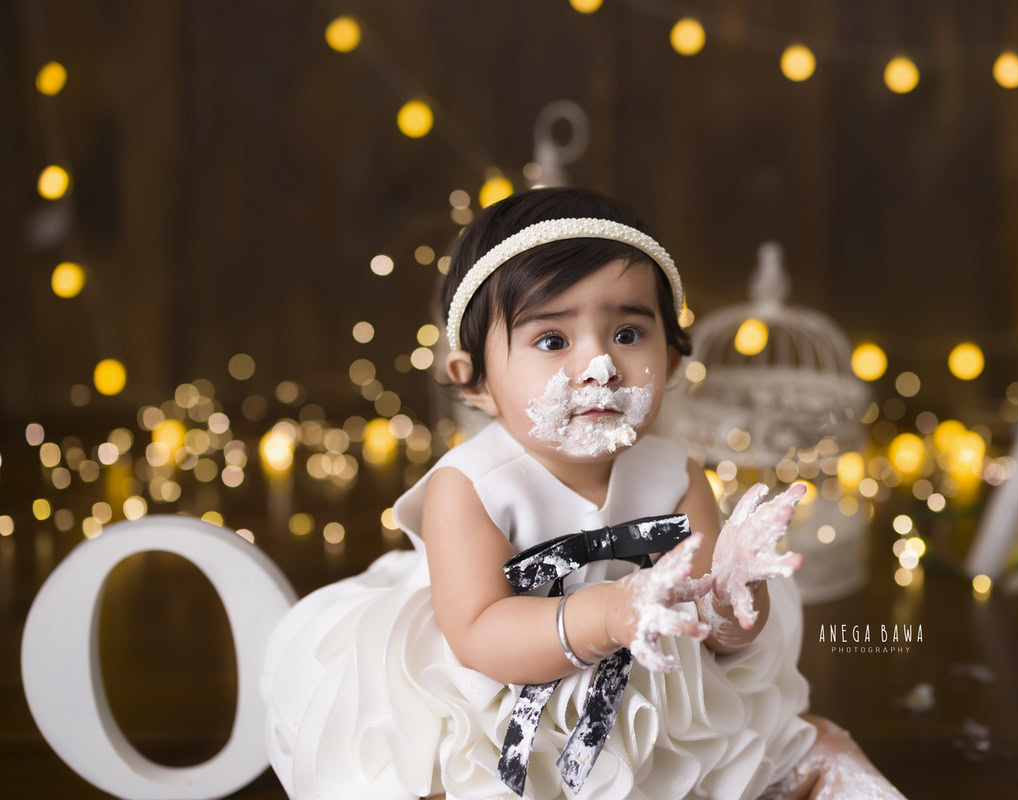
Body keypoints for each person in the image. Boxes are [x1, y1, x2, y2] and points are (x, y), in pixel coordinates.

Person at [259, 186, 906, 799]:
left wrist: (732, 599)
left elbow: (713, 635)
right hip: (499, 701)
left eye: (628, 334)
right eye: (552, 339)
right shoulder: (471, 488)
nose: (599, 366)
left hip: (655, 700)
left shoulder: (676, 476)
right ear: (474, 380)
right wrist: (606, 615)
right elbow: (479, 635)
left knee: (804, 745)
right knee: (431, 780)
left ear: (672, 361)